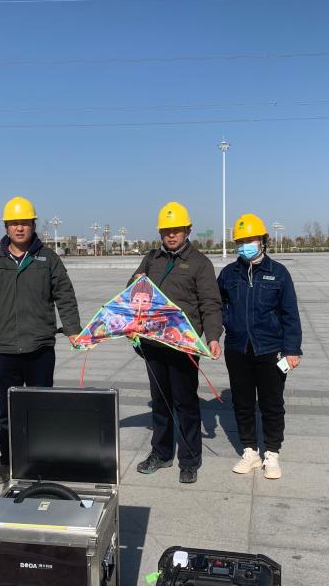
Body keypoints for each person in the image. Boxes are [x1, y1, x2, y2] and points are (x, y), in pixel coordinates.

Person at [0, 196, 81, 469]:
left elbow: (64, 295)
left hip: (39, 347)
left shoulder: (48, 258)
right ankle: (10, 462)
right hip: (3, 349)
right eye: (14, 223)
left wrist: (72, 329)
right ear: (6, 227)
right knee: (8, 410)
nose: (19, 228)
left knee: (41, 406)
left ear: (33, 225)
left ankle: (41, 460)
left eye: (25, 223)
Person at [130, 202, 223, 484]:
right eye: (166, 230)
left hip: (183, 347)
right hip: (153, 345)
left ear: (187, 230)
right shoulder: (151, 259)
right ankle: (161, 454)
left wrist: (213, 337)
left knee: (186, 404)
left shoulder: (200, 263)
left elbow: (210, 303)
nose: (171, 235)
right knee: (161, 403)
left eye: (177, 230)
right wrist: (134, 283)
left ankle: (189, 460)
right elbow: (132, 293)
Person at [217, 213, 303, 479]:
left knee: (271, 404)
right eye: (240, 241)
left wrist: (292, 349)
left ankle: (272, 453)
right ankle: (250, 451)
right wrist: (222, 327)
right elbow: (216, 306)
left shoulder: (278, 273)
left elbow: (290, 313)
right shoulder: (228, 274)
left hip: (270, 350)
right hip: (237, 349)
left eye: (250, 240)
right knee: (242, 403)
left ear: (263, 240)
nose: (245, 245)